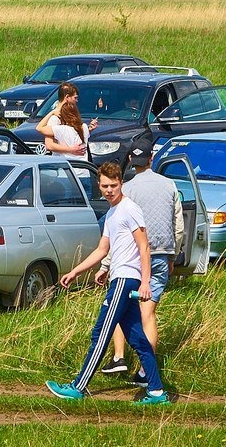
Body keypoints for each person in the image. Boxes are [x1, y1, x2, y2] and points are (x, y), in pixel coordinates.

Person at [45, 162, 170, 406]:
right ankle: (156, 392)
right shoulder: (112, 213)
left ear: (121, 183)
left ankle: (78, 386)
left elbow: (144, 246)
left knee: (100, 333)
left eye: (113, 185)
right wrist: (76, 271)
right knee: (138, 338)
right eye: (104, 186)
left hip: (126, 280)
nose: (109, 190)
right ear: (99, 185)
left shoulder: (129, 209)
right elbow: (103, 249)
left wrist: (145, 282)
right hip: (119, 275)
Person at [100, 136, 185, 385]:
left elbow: (120, 234)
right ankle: (145, 372)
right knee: (147, 314)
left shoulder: (127, 190)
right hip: (160, 257)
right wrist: (172, 254)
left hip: (134, 259)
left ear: (130, 160)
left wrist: (106, 265)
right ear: (152, 158)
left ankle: (118, 357)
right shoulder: (169, 184)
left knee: (119, 305)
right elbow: (177, 225)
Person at [37, 82, 97, 158]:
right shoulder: (55, 118)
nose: (77, 101)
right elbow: (49, 145)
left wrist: (87, 131)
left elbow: (70, 136)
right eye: (75, 98)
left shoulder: (69, 114)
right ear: (67, 97)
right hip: (62, 162)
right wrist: (71, 150)